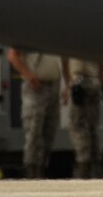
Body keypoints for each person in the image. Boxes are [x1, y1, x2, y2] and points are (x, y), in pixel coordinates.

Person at [7, 46, 62, 179]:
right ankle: (31, 171)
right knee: (34, 132)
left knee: (49, 132)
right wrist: (29, 76)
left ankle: (42, 169)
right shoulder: (32, 33)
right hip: (36, 88)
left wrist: (67, 81)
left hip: (53, 86)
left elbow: (64, 60)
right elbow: (12, 55)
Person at [64, 58, 103, 179]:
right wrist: (99, 84)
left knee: (77, 125)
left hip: (79, 82)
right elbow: (102, 66)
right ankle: (96, 166)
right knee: (92, 127)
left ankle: (83, 164)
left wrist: (68, 85)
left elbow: (65, 61)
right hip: (94, 82)